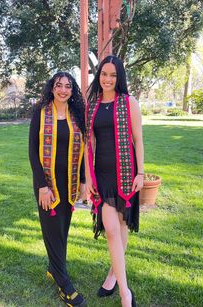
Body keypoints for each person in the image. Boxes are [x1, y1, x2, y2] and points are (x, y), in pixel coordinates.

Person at [85, 55, 144, 307]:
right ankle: (125, 292)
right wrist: (89, 179)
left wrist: (141, 172)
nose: (107, 79)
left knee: (120, 227)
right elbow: (90, 144)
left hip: (127, 172)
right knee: (110, 229)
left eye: (113, 75)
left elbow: (138, 139)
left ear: (119, 78)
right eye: (104, 74)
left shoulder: (129, 102)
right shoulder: (92, 105)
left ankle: (113, 276)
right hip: (103, 175)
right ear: (99, 76)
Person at [29, 72, 86, 307]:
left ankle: (54, 269)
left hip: (69, 183)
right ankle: (64, 285)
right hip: (47, 184)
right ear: (51, 88)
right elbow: (33, 151)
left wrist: (82, 181)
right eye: (58, 85)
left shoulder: (76, 115)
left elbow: (82, 151)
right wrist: (42, 186)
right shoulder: (40, 113)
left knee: (61, 230)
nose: (63, 90)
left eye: (68, 86)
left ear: (72, 91)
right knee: (52, 230)